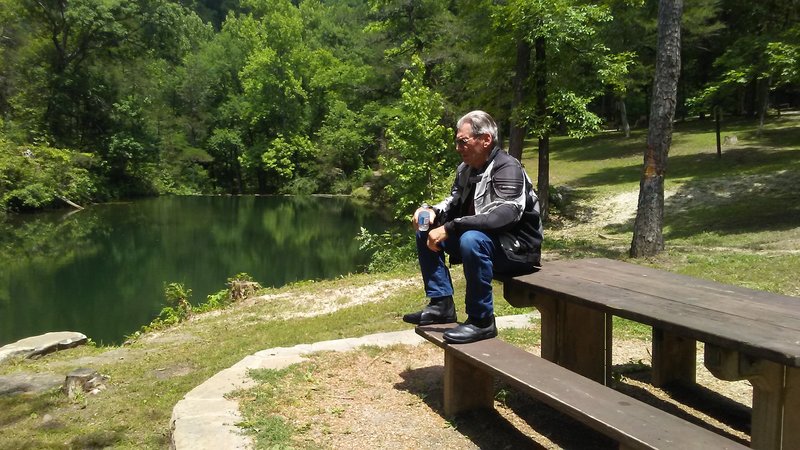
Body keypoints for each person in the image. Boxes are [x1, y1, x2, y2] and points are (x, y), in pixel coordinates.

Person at [403, 110, 543, 344]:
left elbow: (503, 216)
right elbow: (453, 202)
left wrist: (452, 227)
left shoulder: (508, 168)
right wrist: (429, 210)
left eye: (462, 141)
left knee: (471, 239)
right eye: (457, 142)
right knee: (426, 228)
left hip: (517, 250)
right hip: (486, 244)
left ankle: (481, 320)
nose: (458, 147)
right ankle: (441, 304)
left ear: (485, 139)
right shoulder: (465, 170)